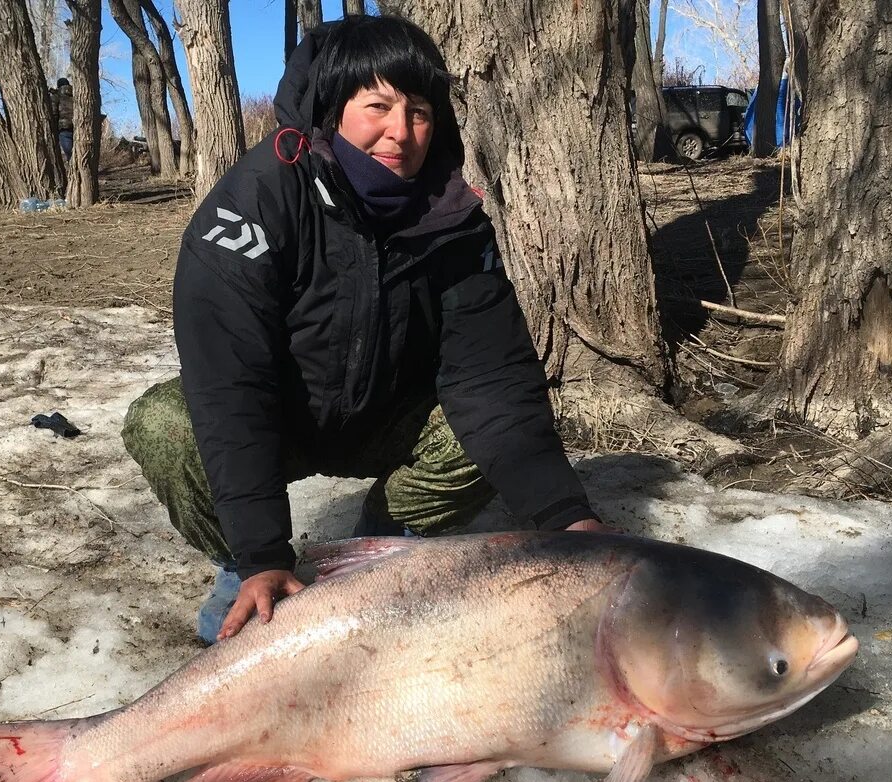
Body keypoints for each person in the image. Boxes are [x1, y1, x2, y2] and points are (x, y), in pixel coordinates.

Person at [121, 15, 610, 645]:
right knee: (167, 425)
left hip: (389, 416)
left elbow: (491, 375)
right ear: (333, 106)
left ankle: (376, 547)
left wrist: (568, 517)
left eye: (420, 112)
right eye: (377, 105)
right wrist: (262, 553)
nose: (400, 133)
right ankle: (243, 571)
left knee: (472, 442)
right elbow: (231, 385)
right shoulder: (256, 199)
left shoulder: (456, 218)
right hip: (280, 420)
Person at [52, 77, 74, 160]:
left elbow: (54, 113)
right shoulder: (76, 95)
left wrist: (54, 128)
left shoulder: (56, 96)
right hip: (78, 127)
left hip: (64, 129)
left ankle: (74, 170)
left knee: (70, 155)